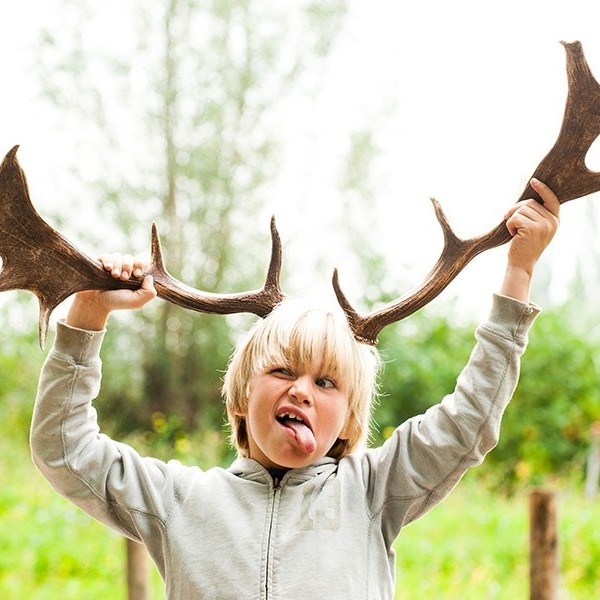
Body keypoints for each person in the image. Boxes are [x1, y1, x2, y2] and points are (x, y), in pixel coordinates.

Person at [31, 178, 560, 599]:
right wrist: (89, 313)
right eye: (283, 372)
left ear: (349, 421)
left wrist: (519, 271)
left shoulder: (374, 492)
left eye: (326, 382)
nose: (302, 391)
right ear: (241, 396)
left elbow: (469, 419)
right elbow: (63, 448)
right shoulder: (179, 501)